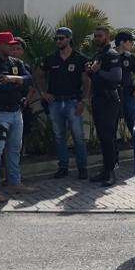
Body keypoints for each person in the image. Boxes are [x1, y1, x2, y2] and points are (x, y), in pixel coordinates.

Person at [0, 31, 31, 203]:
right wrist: (18, 83)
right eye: (8, 44)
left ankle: (14, 182)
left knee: (15, 148)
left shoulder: (15, 62)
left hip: (16, 111)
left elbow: (28, 79)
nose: (11, 47)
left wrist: (13, 78)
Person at [37, 26, 90, 180]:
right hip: (55, 103)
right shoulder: (50, 58)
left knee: (78, 137)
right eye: (56, 38)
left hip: (73, 102)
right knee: (59, 136)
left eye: (61, 38)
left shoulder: (80, 58)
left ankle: (82, 168)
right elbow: (38, 75)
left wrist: (83, 101)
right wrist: (43, 93)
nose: (58, 41)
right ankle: (63, 167)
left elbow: (87, 81)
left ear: (69, 39)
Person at [85, 26, 123, 184]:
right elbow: (93, 75)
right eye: (95, 36)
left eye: (99, 36)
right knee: (103, 137)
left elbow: (116, 77)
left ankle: (111, 173)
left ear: (107, 37)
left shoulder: (111, 54)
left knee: (108, 137)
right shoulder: (98, 54)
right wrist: (90, 71)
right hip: (99, 99)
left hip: (109, 100)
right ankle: (105, 170)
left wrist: (97, 72)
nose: (97, 38)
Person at [114, 31, 135, 156]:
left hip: (128, 95)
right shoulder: (110, 55)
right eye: (130, 42)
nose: (132, 44)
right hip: (113, 96)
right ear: (122, 42)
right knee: (112, 124)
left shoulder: (130, 57)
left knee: (134, 121)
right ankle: (113, 154)